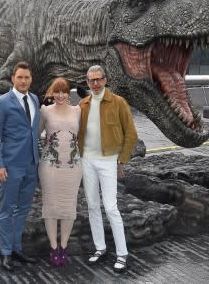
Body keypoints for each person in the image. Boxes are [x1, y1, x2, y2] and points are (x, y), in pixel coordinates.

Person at [77, 65, 138, 274]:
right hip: (87, 161)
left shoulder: (118, 102)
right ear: (86, 82)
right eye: (91, 80)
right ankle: (100, 248)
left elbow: (131, 134)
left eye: (98, 79)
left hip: (108, 161)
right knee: (93, 206)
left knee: (111, 207)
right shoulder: (83, 104)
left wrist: (122, 161)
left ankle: (122, 253)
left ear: (105, 79)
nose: (95, 84)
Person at [0, 61, 41, 272]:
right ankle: (6, 253)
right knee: (7, 210)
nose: (23, 81)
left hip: (31, 164)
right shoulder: (1, 103)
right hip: (9, 166)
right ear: (12, 79)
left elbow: (33, 131)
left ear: (31, 79)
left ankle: (17, 249)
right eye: (20, 77)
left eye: (27, 77)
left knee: (23, 209)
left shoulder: (35, 99)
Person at [38, 77, 83, 267]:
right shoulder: (45, 110)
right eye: (57, 91)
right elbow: (37, 133)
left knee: (68, 207)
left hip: (73, 167)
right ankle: (53, 246)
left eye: (64, 91)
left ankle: (64, 246)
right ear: (52, 92)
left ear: (68, 93)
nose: (60, 95)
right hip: (50, 166)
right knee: (51, 207)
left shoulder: (78, 110)